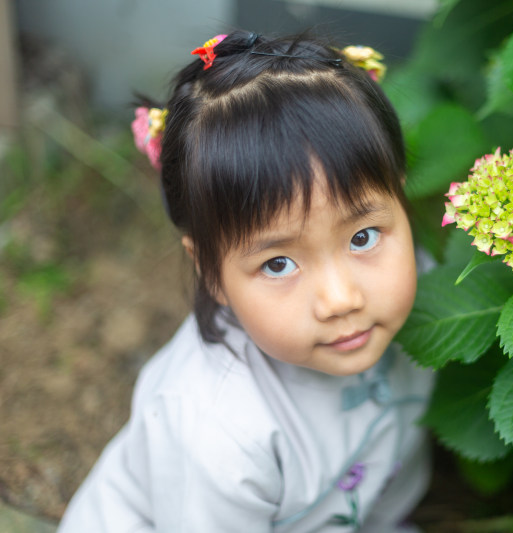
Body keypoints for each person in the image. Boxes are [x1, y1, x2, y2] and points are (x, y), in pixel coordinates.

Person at [57, 29, 433, 532]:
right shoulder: (213, 429)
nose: (342, 299)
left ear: (401, 204)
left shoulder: (425, 298)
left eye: (363, 236)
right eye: (278, 264)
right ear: (208, 269)